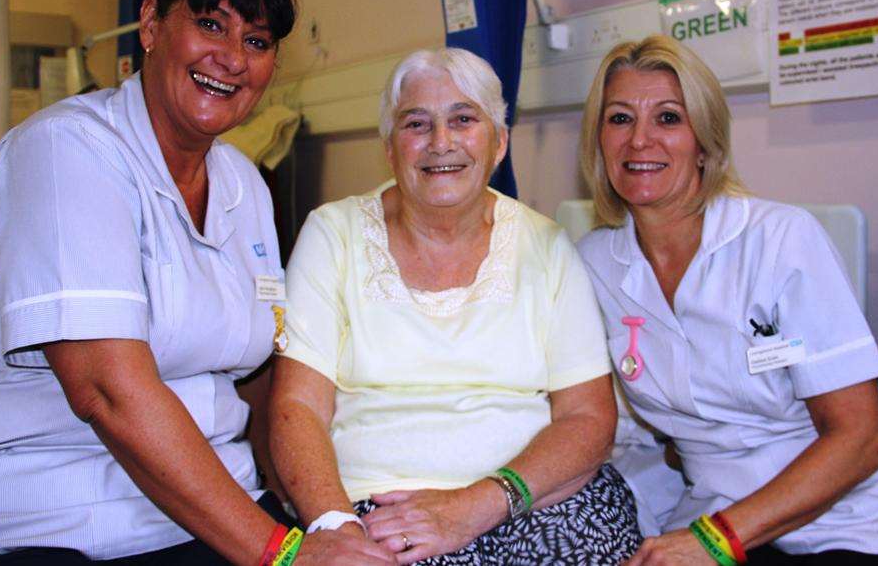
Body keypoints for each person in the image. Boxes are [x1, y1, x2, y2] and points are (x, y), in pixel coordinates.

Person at [0, 0, 394, 565]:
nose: (231, 59)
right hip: (68, 521)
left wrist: (321, 514)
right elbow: (108, 390)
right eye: (210, 24)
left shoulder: (243, 185)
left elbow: (261, 374)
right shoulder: (67, 152)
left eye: (257, 41)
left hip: (220, 513)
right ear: (151, 24)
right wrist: (282, 553)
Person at [575, 35, 878, 565]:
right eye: (620, 118)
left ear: (706, 140)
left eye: (669, 118)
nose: (640, 141)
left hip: (858, 514)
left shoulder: (780, 239)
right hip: (723, 509)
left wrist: (714, 540)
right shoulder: (594, 264)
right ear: (598, 139)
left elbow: (859, 440)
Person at [269, 47, 642, 565]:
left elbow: (587, 417)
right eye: (416, 124)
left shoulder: (548, 246)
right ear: (389, 148)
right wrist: (335, 529)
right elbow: (297, 408)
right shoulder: (334, 235)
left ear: (498, 143)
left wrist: (477, 504)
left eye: (463, 119)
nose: (440, 143)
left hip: (524, 500)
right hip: (374, 513)